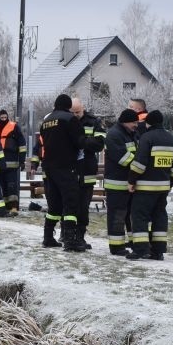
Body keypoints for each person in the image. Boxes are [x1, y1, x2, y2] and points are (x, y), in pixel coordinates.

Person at [126, 110, 173, 260]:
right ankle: (158, 251)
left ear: (148, 123)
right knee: (159, 217)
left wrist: (131, 181)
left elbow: (139, 164)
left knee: (139, 216)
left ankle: (140, 249)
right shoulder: (171, 139)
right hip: (162, 188)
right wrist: (169, 183)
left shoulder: (146, 138)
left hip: (144, 187)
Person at [39, 94, 86, 251]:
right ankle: (70, 240)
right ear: (68, 106)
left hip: (49, 168)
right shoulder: (69, 119)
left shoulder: (46, 121)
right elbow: (79, 141)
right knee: (71, 202)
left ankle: (48, 237)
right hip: (66, 166)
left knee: (55, 204)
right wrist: (93, 143)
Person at [71, 97, 106, 250]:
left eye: (77, 112)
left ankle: (80, 236)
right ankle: (67, 235)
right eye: (73, 112)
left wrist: (81, 142)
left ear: (83, 108)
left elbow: (99, 143)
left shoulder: (93, 122)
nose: (75, 115)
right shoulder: (67, 120)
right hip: (70, 169)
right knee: (69, 205)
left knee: (83, 205)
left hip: (87, 169)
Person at [104, 109, 139, 255]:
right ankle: (116, 246)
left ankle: (131, 241)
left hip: (128, 183)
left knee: (129, 214)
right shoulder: (114, 135)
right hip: (116, 184)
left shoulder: (129, 134)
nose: (136, 125)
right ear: (125, 121)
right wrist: (141, 165)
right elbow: (124, 159)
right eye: (134, 122)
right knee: (117, 215)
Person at [0, 109, 27, 215]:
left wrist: (22, 161)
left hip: (12, 162)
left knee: (12, 185)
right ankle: (7, 206)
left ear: (7, 117)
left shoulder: (14, 126)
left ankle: (14, 207)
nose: (3, 119)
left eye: (5, 117)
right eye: (2, 117)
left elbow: (22, 144)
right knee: (2, 185)